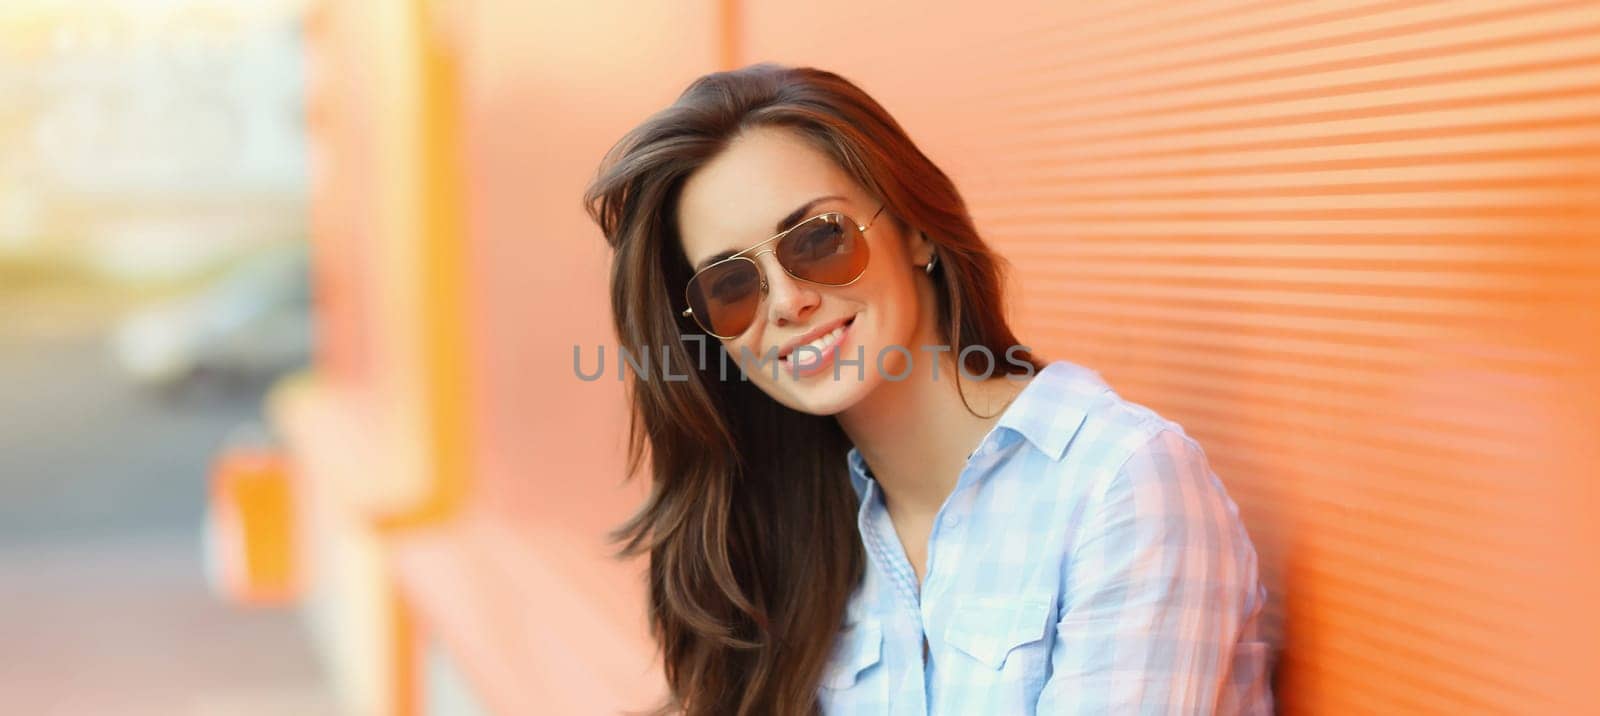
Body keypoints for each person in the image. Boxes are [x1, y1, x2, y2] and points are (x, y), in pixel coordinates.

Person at [583, 63, 1273, 715]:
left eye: (818, 238)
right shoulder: (783, 539)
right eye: (731, 286)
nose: (787, 301)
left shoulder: (1117, 483)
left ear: (915, 230)